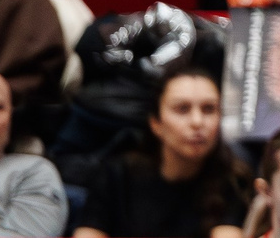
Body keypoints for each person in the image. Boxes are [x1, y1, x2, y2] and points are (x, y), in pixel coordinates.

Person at [75, 66, 251, 238]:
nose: (197, 122)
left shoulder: (234, 182)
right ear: (156, 123)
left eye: (209, 109)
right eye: (182, 109)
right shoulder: (116, 175)